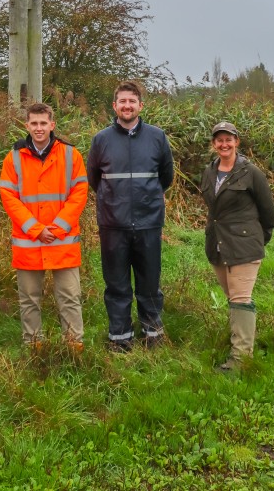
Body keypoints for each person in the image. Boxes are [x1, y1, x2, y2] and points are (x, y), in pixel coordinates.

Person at [87, 80, 173, 352]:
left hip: (148, 222)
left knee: (149, 283)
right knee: (117, 284)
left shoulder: (157, 137)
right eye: (122, 101)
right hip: (113, 224)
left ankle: (153, 334)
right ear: (115, 106)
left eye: (132, 101)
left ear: (140, 106)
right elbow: (94, 179)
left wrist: (148, 202)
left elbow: (166, 176)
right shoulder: (101, 139)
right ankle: (120, 338)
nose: (127, 106)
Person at [0, 103, 88, 349]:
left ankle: (74, 347)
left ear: (52, 125)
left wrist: (57, 228)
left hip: (63, 242)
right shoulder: (13, 158)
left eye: (43, 123)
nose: (39, 128)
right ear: (26, 125)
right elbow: (8, 196)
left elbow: (80, 193)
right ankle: (33, 347)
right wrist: (36, 229)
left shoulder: (71, 155)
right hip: (29, 243)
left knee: (70, 298)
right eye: (34, 123)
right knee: (29, 300)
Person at [201, 121, 274, 371]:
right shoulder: (209, 171)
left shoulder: (251, 172)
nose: (224, 144)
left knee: (241, 298)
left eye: (229, 139)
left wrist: (256, 238)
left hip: (244, 244)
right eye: (219, 140)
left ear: (237, 142)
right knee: (233, 297)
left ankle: (241, 360)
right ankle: (244, 339)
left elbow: (268, 212)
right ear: (214, 144)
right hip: (218, 243)